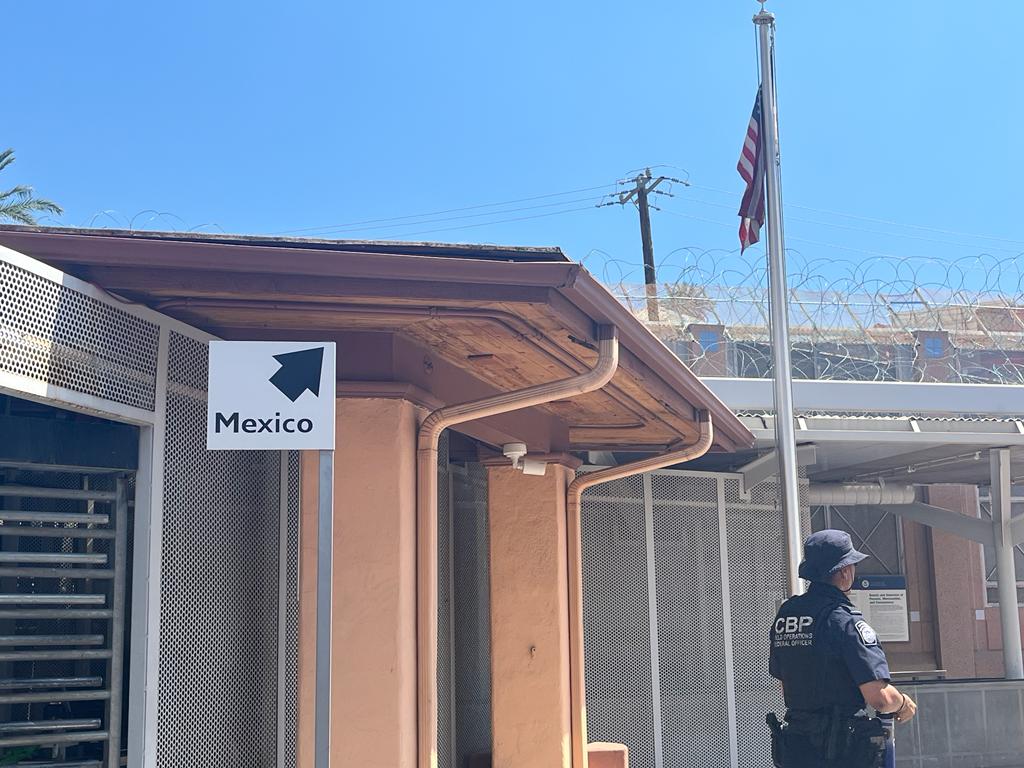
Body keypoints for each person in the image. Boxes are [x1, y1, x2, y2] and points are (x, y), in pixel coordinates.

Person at [767, 530, 917, 768]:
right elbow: (879, 698)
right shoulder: (844, 621)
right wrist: (902, 703)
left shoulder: (787, 615)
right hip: (840, 751)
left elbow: (784, 684)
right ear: (845, 571)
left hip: (796, 748)